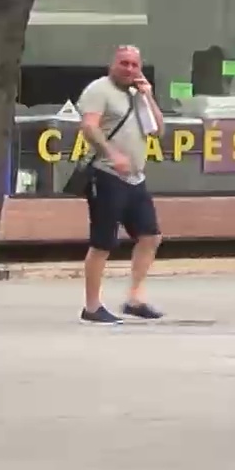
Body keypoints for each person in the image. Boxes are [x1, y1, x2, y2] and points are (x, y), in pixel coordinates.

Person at [75, 45, 167, 323]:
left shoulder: (136, 95)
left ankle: (135, 298)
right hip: (106, 175)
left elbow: (159, 130)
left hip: (135, 178)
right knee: (103, 242)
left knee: (150, 236)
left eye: (134, 65)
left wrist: (148, 96)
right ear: (112, 64)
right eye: (123, 63)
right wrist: (112, 154)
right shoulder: (99, 90)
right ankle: (92, 306)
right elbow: (89, 127)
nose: (128, 69)